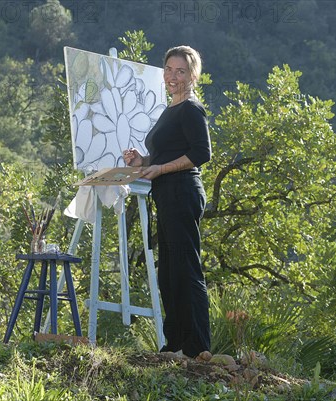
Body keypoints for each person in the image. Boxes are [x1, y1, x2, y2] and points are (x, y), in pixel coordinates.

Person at [123, 45, 211, 358]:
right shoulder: (170, 109)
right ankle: (174, 344)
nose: (173, 76)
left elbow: (202, 153)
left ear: (193, 76)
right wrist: (142, 160)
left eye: (181, 71)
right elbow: (166, 155)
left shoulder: (191, 108)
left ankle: (198, 347)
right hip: (167, 193)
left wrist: (160, 168)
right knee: (169, 273)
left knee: (186, 269)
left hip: (183, 191)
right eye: (169, 70)